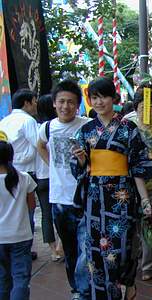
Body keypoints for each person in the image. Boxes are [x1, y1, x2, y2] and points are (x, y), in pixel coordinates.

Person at [71, 77, 152, 299]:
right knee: (95, 251)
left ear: (113, 98)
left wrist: (145, 200)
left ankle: (126, 285)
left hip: (121, 197)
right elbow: (80, 170)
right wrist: (80, 160)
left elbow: (138, 167)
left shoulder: (128, 129)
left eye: (104, 97)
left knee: (122, 248)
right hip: (94, 199)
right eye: (94, 98)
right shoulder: (85, 131)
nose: (99, 102)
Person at [37, 79, 89, 300]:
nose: (65, 106)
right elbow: (39, 145)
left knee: (86, 249)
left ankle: (85, 290)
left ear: (78, 105)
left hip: (85, 197)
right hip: (59, 199)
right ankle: (76, 288)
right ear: (54, 103)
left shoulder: (86, 124)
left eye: (70, 102)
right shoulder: (47, 127)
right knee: (70, 250)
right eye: (61, 101)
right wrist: (53, 167)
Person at [124, 86, 152, 282]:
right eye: (143, 106)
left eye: (150, 106)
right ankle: (134, 259)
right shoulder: (127, 126)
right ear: (136, 107)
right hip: (129, 187)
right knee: (132, 227)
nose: (147, 111)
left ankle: (149, 265)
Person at [0, 88, 39, 261]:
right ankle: (24, 248)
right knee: (26, 212)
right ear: (27, 103)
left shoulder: (4, 121)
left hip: (6, 171)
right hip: (26, 173)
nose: (36, 104)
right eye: (34, 100)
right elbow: (38, 144)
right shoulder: (28, 120)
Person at [0, 138, 37, 300]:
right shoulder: (24, 178)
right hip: (21, 236)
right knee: (21, 278)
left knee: (2, 279)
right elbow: (31, 205)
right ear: (11, 157)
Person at [36, 94, 62, 262]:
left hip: (40, 176)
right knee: (60, 212)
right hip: (55, 178)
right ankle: (61, 245)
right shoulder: (52, 127)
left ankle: (54, 251)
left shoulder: (40, 126)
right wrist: (52, 165)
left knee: (46, 213)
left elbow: (37, 148)